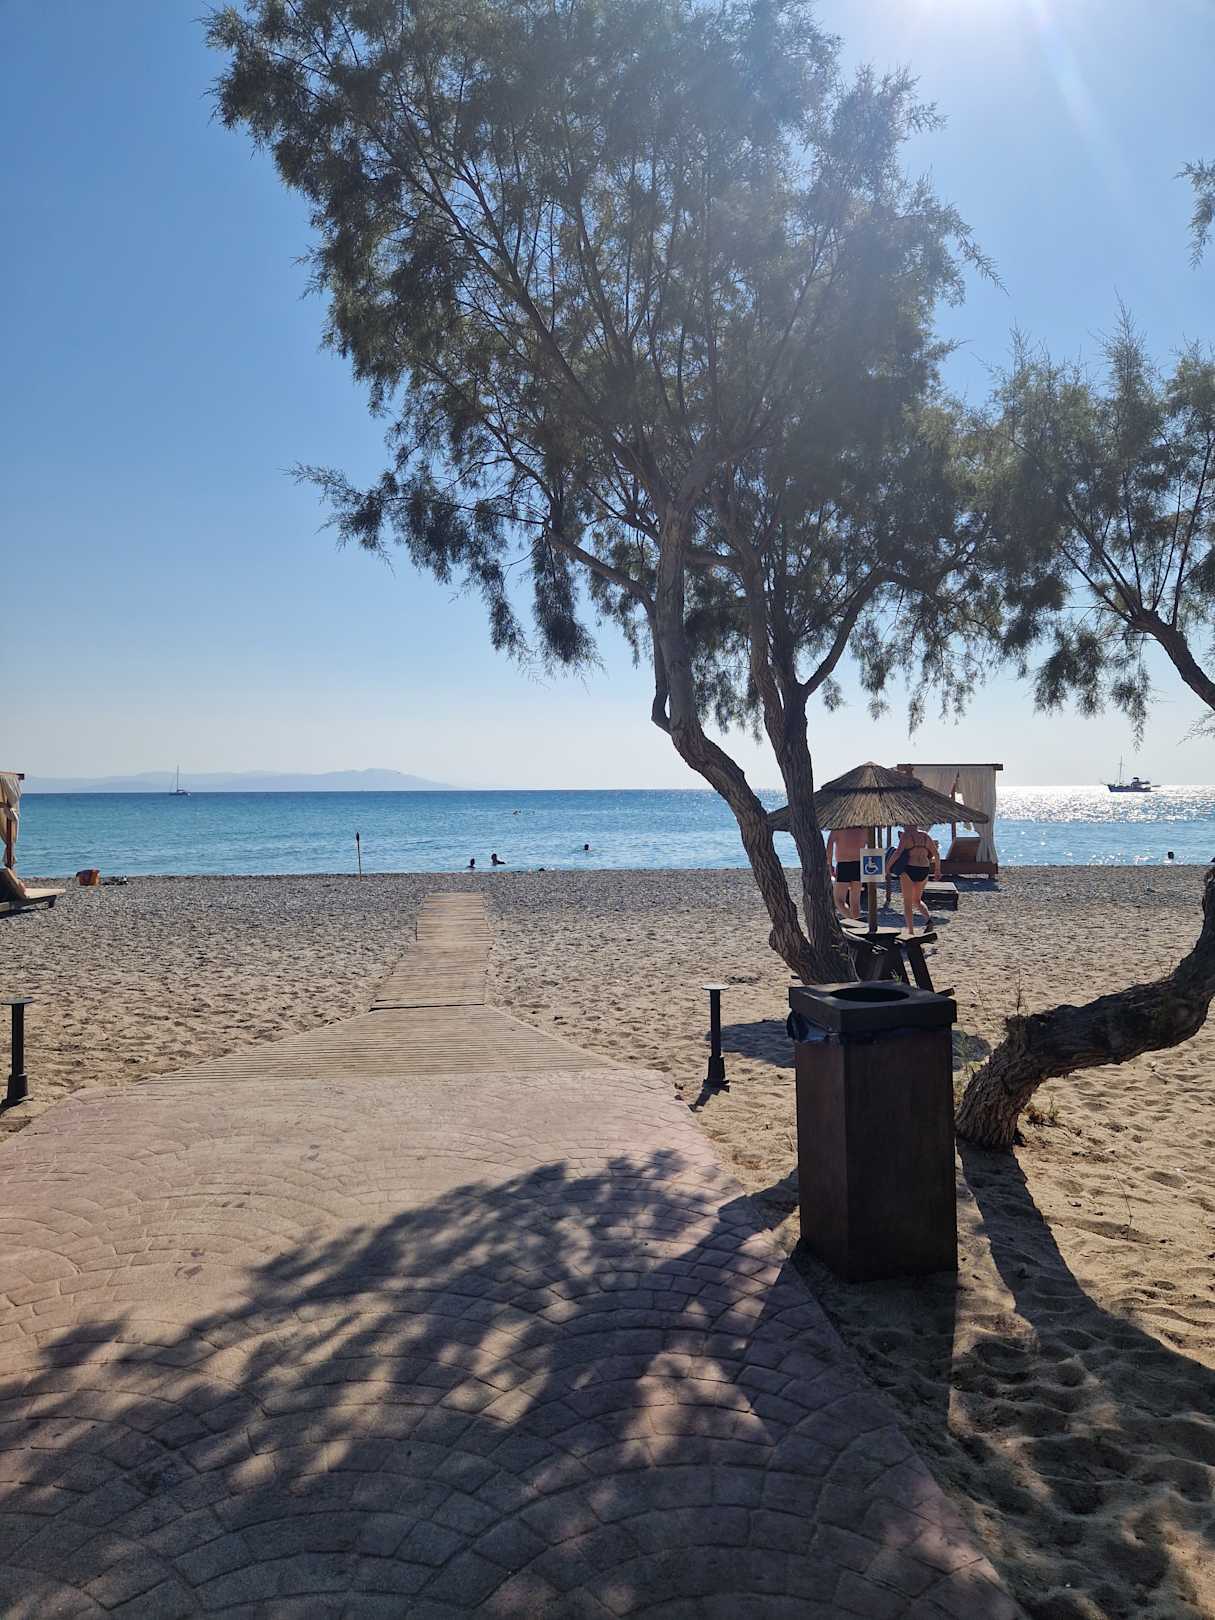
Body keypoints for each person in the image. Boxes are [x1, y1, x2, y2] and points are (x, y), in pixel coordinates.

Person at [888, 821, 940, 933]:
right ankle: (928, 920)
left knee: (907, 902)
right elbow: (936, 854)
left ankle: (911, 931)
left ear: (907, 825)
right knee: (917, 900)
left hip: (910, 869)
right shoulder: (925, 836)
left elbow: (897, 853)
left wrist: (887, 867)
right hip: (924, 869)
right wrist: (937, 870)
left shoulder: (906, 836)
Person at [825, 826, 866, 919]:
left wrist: (829, 864)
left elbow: (829, 845)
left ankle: (852, 921)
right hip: (859, 864)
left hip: (844, 864)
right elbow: (873, 846)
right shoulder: (865, 829)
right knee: (855, 902)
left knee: (838, 900)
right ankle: (856, 920)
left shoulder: (839, 828)